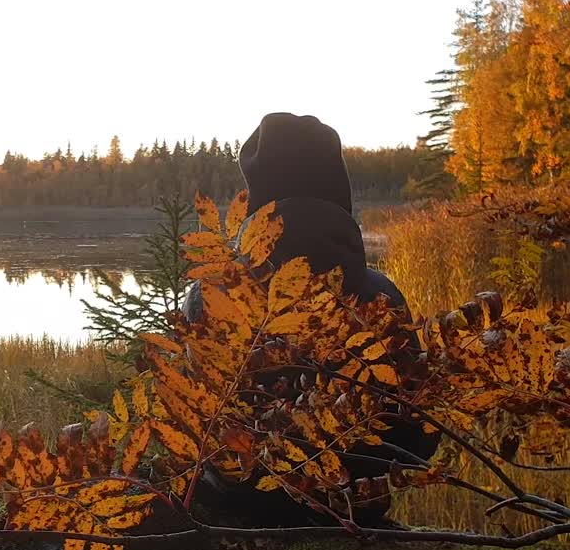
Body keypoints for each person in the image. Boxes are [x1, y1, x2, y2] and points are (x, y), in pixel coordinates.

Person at [184, 112, 439, 527]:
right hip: (354, 508)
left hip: (242, 506)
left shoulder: (211, 292)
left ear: (256, 199)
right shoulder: (381, 295)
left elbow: (196, 423)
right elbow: (418, 439)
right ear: (339, 189)